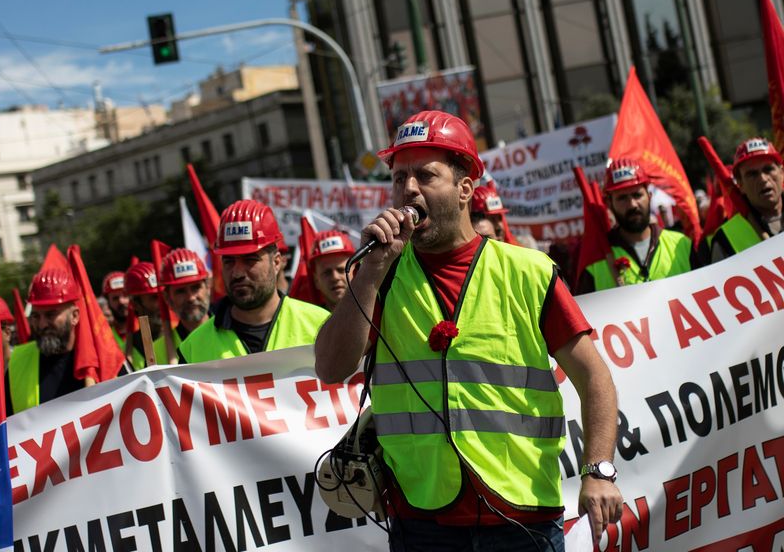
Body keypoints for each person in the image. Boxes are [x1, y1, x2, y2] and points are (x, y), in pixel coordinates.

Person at [314, 110, 622, 550]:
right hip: (421, 523)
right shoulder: (377, 274)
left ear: (465, 189)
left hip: (523, 520)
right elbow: (329, 366)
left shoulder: (528, 272)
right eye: (399, 178)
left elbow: (595, 378)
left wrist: (598, 471)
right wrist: (370, 271)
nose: (409, 190)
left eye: (425, 175)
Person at [178, 199, 330, 363]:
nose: (237, 273)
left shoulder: (322, 325)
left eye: (250, 259)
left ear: (276, 262)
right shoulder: (193, 349)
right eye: (229, 261)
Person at [576, 159, 696, 294]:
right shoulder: (595, 262)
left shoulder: (682, 245)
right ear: (609, 203)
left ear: (649, 196)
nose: (632, 204)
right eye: (622, 198)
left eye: (637, 195)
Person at [6, 268, 85, 415]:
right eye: (36, 316)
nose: (42, 324)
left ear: (74, 316)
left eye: (50, 315)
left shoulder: (98, 359)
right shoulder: (17, 362)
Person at [710, 137, 783, 262]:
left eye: (768, 169)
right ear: (740, 184)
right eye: (752, 174)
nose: (763, 179)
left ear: (781, 173)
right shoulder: (725, 239)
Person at [154, 248, 212, 364]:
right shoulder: (156, 352)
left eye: (195, 288)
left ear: (208, 287)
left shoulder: (232, 330)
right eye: (180, 291)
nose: (190, 298)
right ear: (167, 298)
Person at [124, 261, 165, 369]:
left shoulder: (180, 338)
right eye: (154, 297)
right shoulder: (127, 350)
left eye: (162, 296)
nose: (162, 303)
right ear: (135, 304)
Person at [308, 229, 356, 311]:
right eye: (327, 272)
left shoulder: (377, 313)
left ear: (356, 272)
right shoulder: (308, 321)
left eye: (341, 270)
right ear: (316, 280)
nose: (335, 277)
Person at [101, 271, 130, 347]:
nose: (121, 301)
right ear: (108, 302)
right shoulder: (102, 334)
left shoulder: (146, 326)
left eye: (125, 295)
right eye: (115, 298)